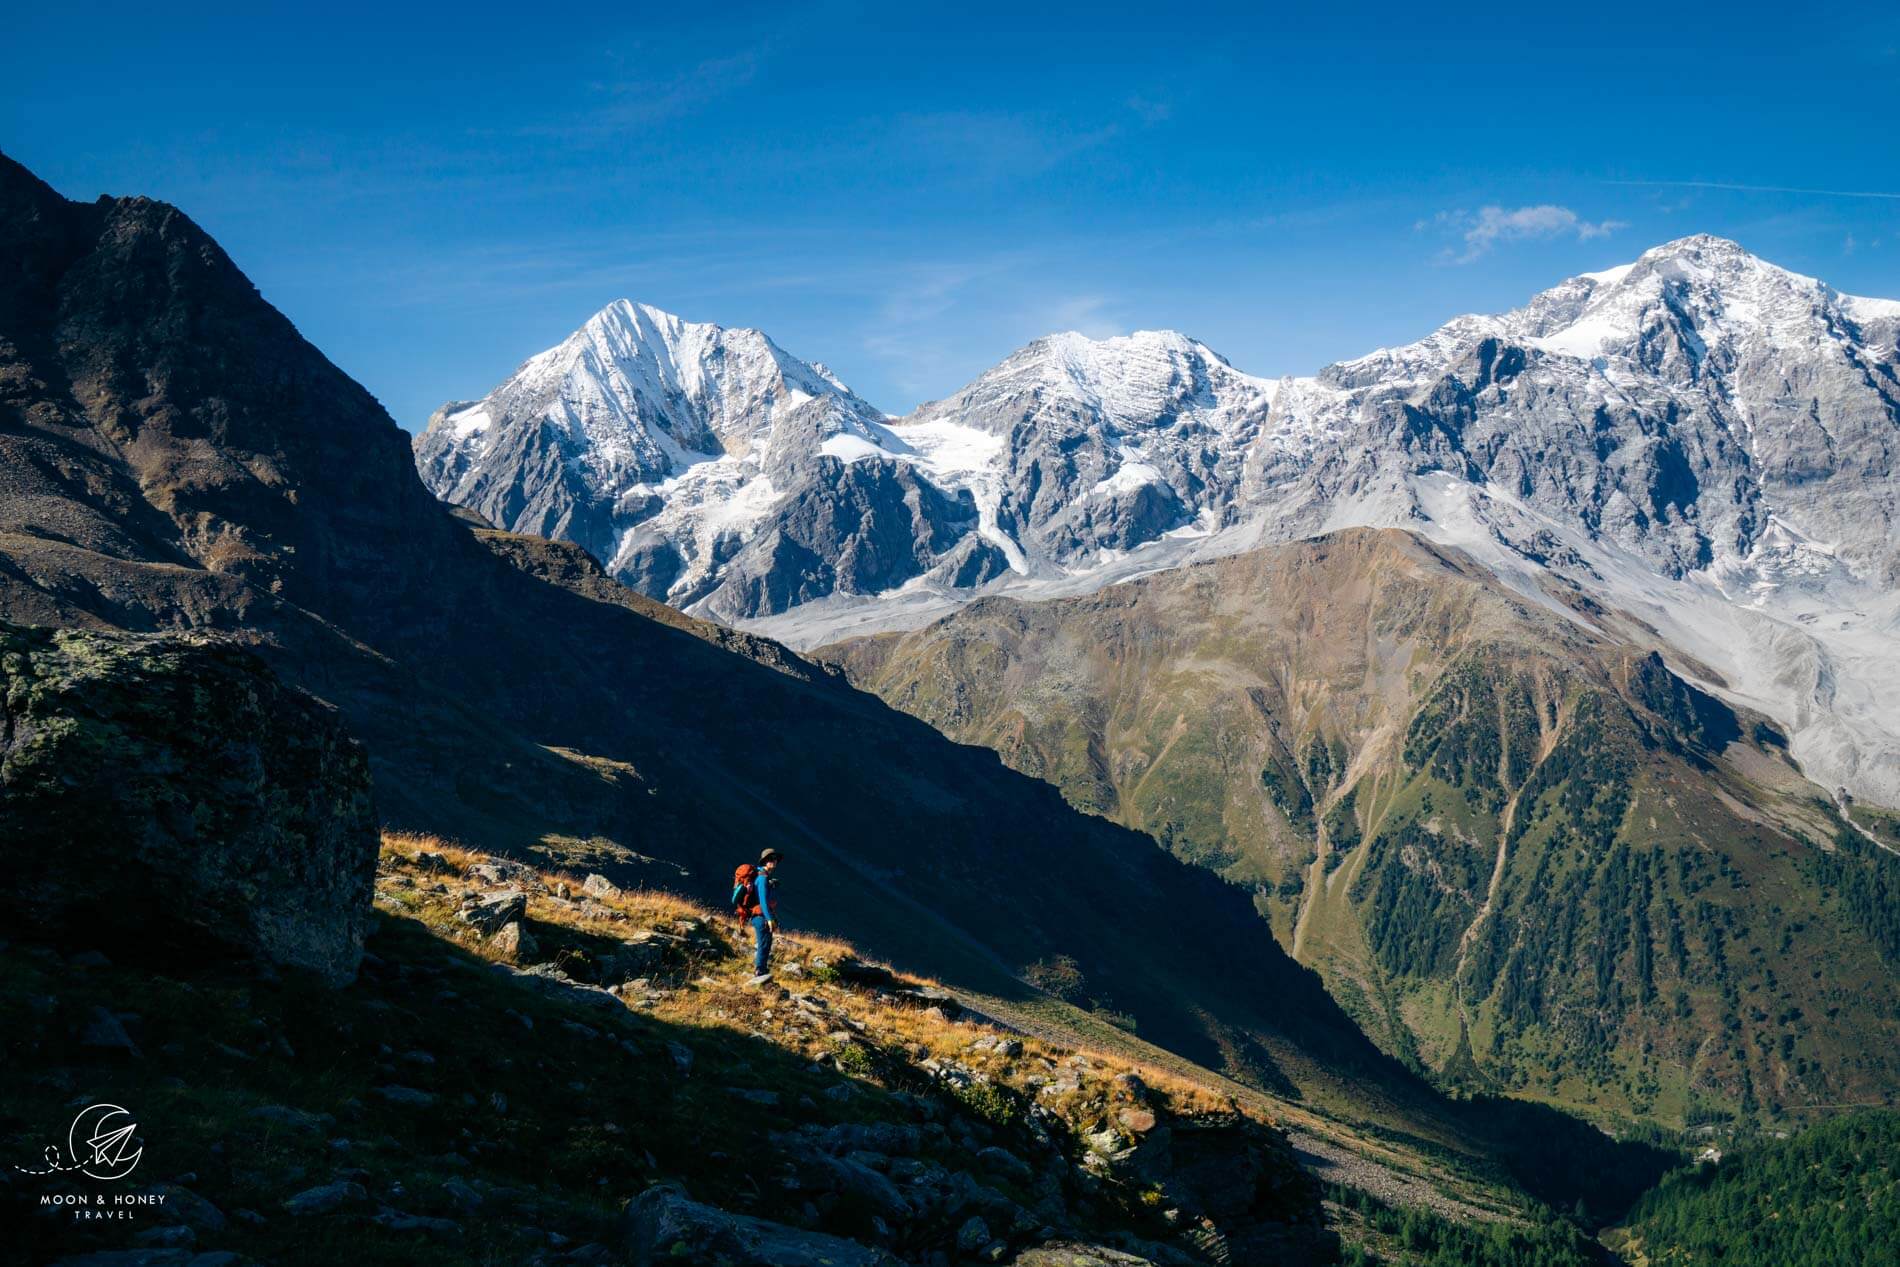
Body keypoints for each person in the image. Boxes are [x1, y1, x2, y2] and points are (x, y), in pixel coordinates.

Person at [735, 847, 782, 983]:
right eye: (771, 859)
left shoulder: (765, 877)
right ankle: (760, 971)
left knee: (766, 943)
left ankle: (762, 969)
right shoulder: (762, 878)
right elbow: (762, 900)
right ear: (765, 861)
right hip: (760, 917)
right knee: (764, 943)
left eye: (775, 859)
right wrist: (769, 919)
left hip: (761, 916)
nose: (774, 861)